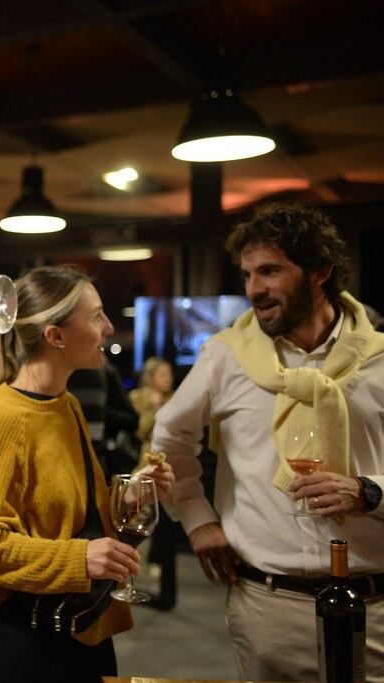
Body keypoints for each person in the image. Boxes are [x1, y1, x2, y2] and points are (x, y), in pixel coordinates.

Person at [151, 203, 384, 682]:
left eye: (271, 271)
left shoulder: (380, 359)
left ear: (320, 270)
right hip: (269, 608)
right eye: (248, 274)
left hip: (377, 606)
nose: (254, 289)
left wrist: (368, 491)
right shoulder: (225, 356)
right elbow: (170, 436)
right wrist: (197, 522)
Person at [0, 266, 174, 683]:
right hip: (26, 643)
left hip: (79, 626)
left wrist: (127, 496)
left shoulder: (64, 404)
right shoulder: (0, 417)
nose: (108, 327)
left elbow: (75, 512)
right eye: (96, 316)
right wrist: (79, 559)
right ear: (56, 336)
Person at [67, 358, 140, 478]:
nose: (105, 338)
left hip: (97, 459)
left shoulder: (102, 368)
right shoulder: (55, 372)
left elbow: (131, 419)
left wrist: (99, 413)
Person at [128, 356, 173, 457]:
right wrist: (154, 408)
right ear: (149, 377)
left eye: (170, 374)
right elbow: (140, 431)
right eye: (163, 375)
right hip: (146, 455)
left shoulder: (174, 398)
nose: (168, 379)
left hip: (172, 452)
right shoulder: (137, 397)